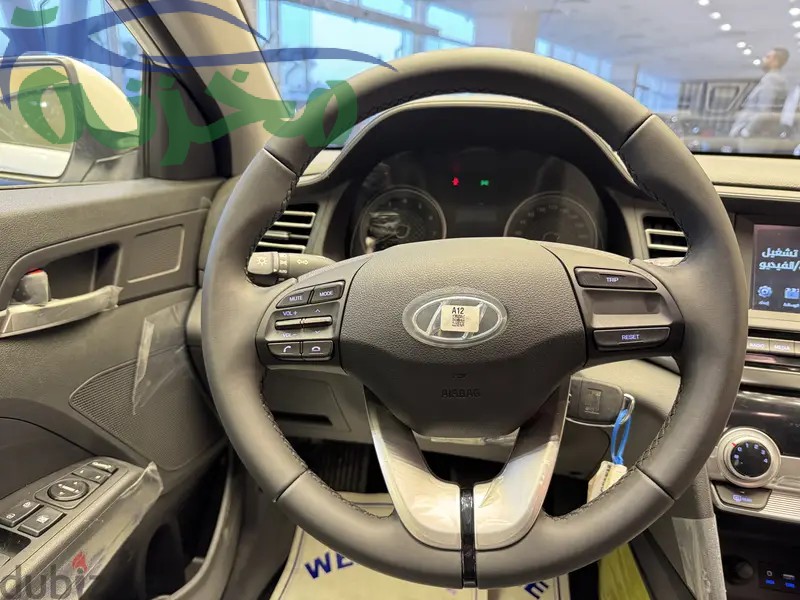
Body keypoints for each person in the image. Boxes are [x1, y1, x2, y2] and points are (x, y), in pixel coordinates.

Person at [730, 47, 790, 141]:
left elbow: (764, 110)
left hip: (751, 138)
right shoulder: (771, 79)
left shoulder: (772, 80)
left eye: (768, 57)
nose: (764, 59)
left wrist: (746, 132)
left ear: (775, 62)